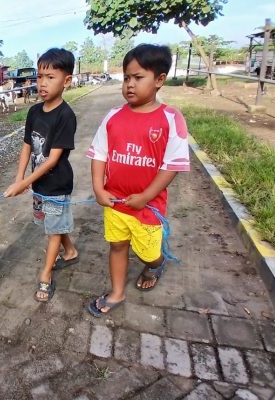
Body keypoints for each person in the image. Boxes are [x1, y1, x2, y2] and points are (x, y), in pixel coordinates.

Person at [86, 44, 190, 316]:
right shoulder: (113, 116)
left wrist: (145, 197)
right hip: (115, 203)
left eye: (138, 77)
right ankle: (117, 293)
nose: (130, 84)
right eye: (126, 77)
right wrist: (98, 188)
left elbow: (171, 166)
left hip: (148, 207)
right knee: (117, 246)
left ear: (159, 80)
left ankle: (156, 264)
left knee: (147, 253)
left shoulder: (170, 118)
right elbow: (99, 154)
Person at [4, 48, 79, 302]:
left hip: (56, 185)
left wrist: (26, 182)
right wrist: (19, 179)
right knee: (50, 222)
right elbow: (27, 146)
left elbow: (53, 159)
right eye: (39, 76)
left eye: (50, 77)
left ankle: (46, 275)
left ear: (66, 81)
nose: (43, 83)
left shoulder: (66, 116)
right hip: (38, 185)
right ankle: (70, 251)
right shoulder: (34, 112)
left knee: (53, 229)